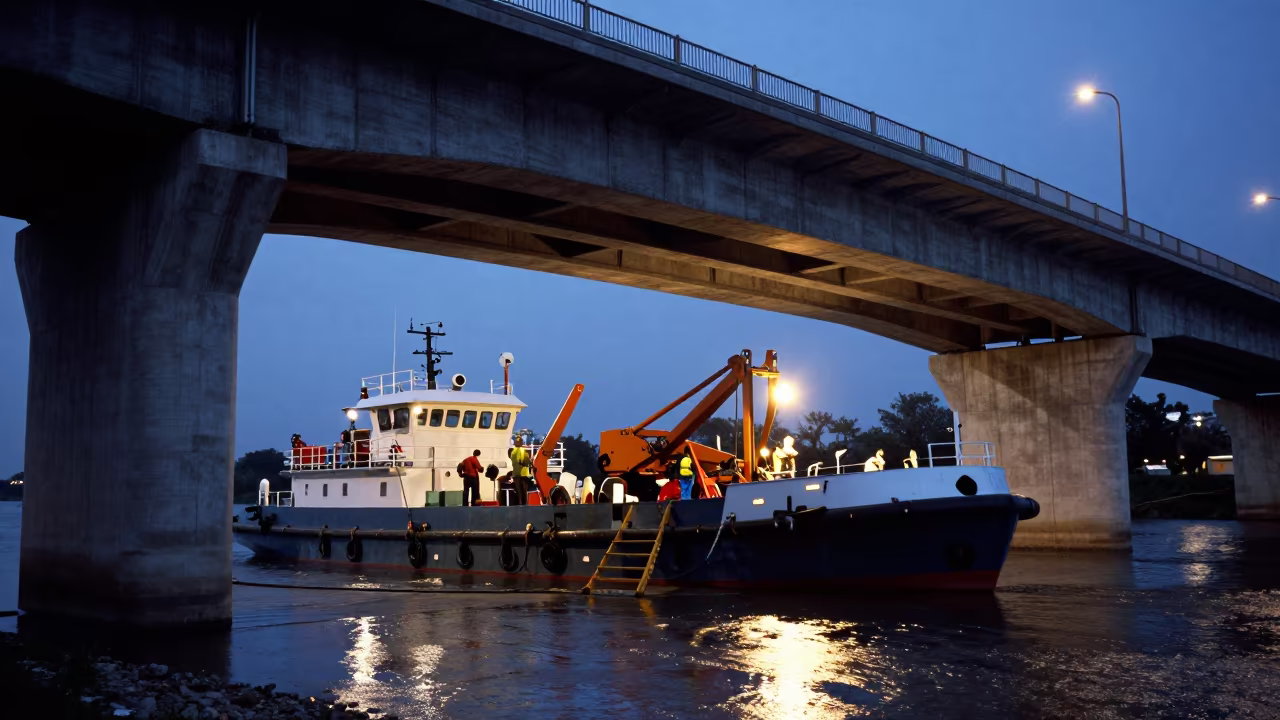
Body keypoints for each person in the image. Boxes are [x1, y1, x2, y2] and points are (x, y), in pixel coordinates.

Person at [509, 437, 532, 505]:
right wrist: (529, 464)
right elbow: (525, 461)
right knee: (524, 491)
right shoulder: (522, 450)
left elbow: (514, 460)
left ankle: (520, 503)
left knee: (518, 491)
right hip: (523, 474)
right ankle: (524, 504)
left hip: (516, 474)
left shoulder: (513, 451)